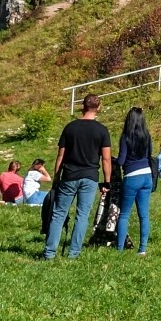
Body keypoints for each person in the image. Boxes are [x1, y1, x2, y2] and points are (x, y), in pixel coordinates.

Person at [43, 94, 112, 260]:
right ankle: (73, 254)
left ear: (83, 106)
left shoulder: (70, 127)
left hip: (69, 175)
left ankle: (49, 252)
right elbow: (106, 159)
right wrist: (106, 182)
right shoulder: (102, 130)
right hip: (90, 177)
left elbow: (60, 156)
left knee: (59, 214)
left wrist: (56, 178)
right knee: (82, 215)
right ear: (99, 107)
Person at [115, 106, 155, 254]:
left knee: (124, 214)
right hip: (147, 175)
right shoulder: (147, 136)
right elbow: (149, 155)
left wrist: (111, 160)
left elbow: (121, 161)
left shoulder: (126, 136)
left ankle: (119, 248)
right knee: (144, 215)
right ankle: (142, 249)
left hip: (132, 176)